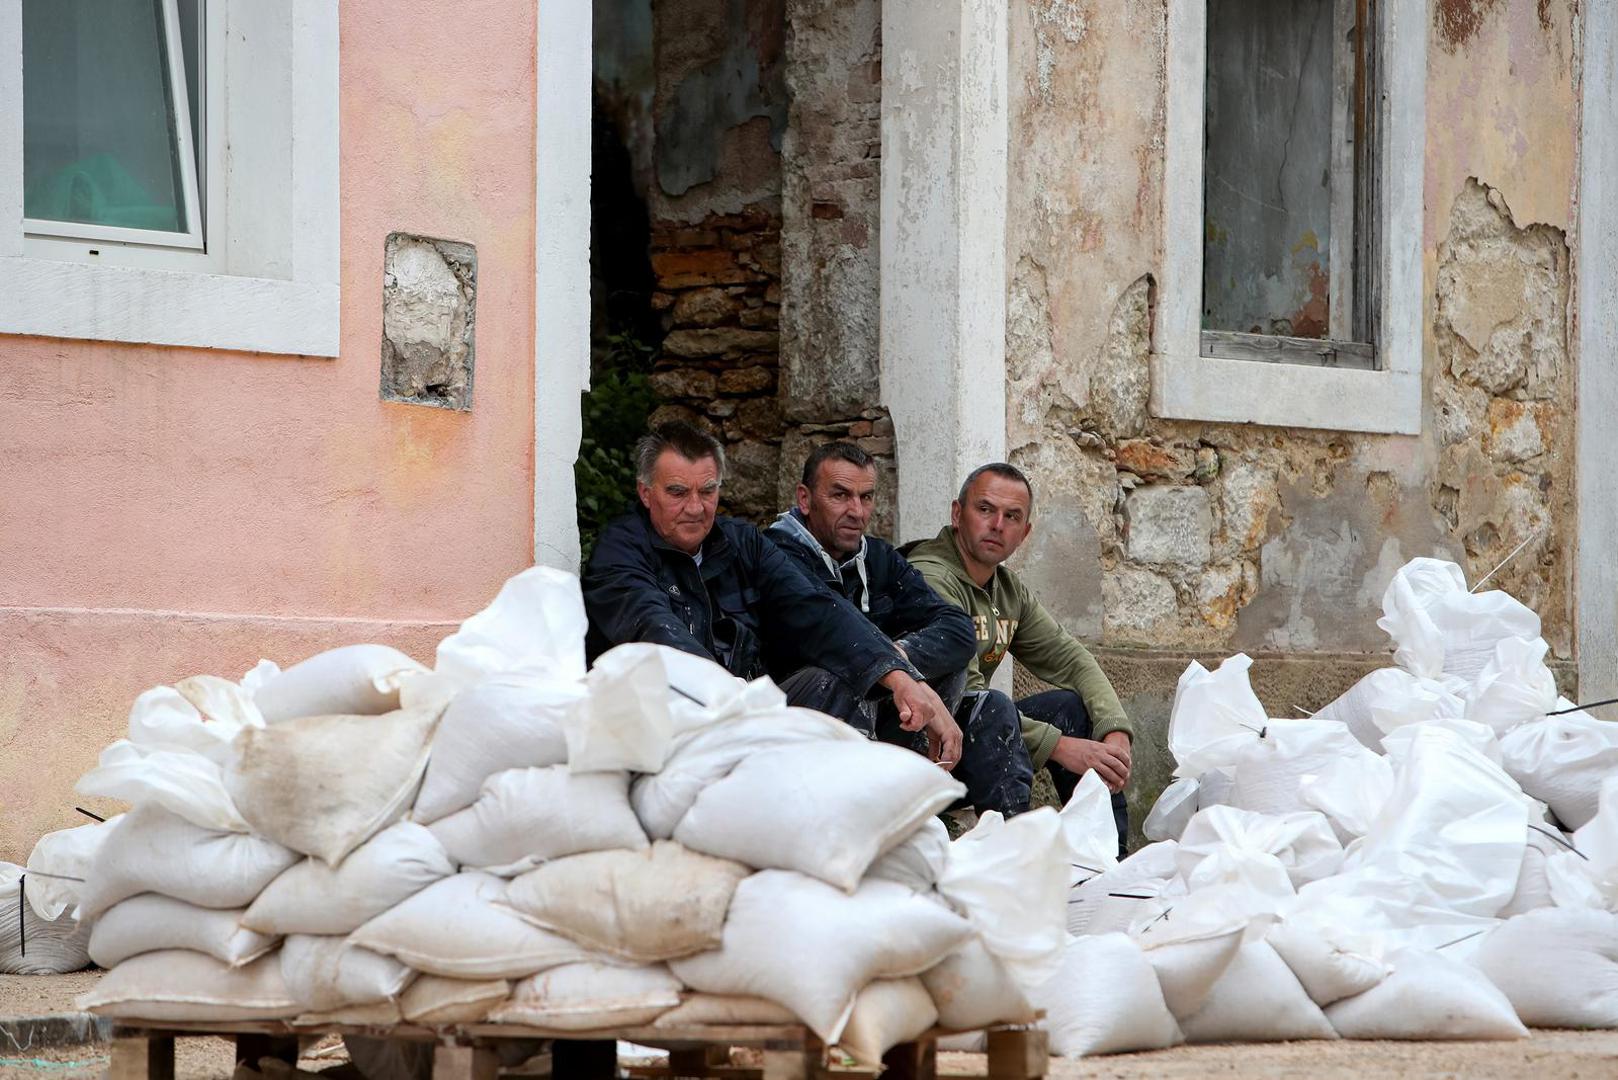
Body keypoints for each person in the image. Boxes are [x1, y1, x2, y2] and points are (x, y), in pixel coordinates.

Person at [582, 421, 962, 765]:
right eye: (678, 493)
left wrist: (900, 677)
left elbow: (816, 608)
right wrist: (739, 704)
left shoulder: (742, 542)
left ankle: (879, 799)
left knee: (844, 674)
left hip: (754, 713)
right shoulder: (620, 553)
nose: (695, 508)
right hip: (678, 724)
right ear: (646, 493)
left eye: (708, 491)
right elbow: (659, 633)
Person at [766, 443, 1034, 815]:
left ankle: (1011, 846)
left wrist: (900, 667)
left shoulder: (875, 557)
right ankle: (867, 815)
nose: (856, 512)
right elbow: (835, 634)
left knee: (988, 705)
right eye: (840, 496)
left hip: (878, 720)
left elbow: (958, 630)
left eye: (866, 497)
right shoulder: (774, 555)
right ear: (805, 499)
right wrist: (897, 675)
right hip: (792, 728)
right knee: (841, 673)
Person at [907, 462, 1133, 853]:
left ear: (1024, 533)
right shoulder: (929, 576)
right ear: (957, 514)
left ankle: (1112, 862)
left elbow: (1073, 659)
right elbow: (968, 695)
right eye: (985, 510)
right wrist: (1061, 747)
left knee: (1068, 706)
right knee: (993, 707)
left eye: (1012, 517)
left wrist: (1114, 732)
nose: (997, 524)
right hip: (920, 752)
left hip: (970, 743)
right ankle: (1018, 858)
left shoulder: (1006, 589)